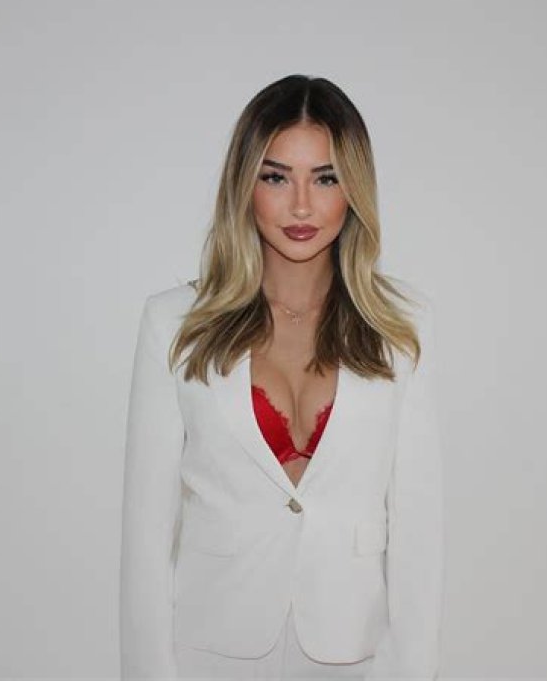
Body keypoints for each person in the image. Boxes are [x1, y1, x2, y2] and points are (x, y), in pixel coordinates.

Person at [119, 74, 445, 680]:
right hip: (211, 650)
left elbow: (419, 535)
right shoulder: (174, 323)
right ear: (244, 185)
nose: (301, 205)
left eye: (325, 178)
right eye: (276, 177)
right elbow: (145, 535)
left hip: (354, 650)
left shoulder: (402, 325)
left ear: (355, 188)